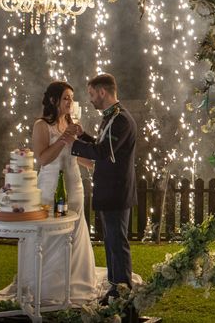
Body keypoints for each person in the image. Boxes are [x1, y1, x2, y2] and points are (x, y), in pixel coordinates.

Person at [0, 81, 105, 306]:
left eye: (71, 98)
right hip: (50, 184)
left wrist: (96, 165)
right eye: (66, 98)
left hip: (75, 185)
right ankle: (46, 285)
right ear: (54, 100)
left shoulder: (72, 122)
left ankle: (75, 280)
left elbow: (76, 154)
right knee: (50, 232)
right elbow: (43, 158)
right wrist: (64, 137)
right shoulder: (41, 125)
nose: (70, 102)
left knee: (74, 230)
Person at [60, 73, 138, 305]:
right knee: (111, 240)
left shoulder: (121, 119)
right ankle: (115, 287)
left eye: (92, 94)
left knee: (117, 241)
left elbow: (103, 152)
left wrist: (73, 144)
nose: (91, 99)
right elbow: (102, 144)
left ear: (102, 92)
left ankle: (122, 290)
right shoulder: (111, 117)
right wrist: (83, 135)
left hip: (116, 190)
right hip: (109, 189)